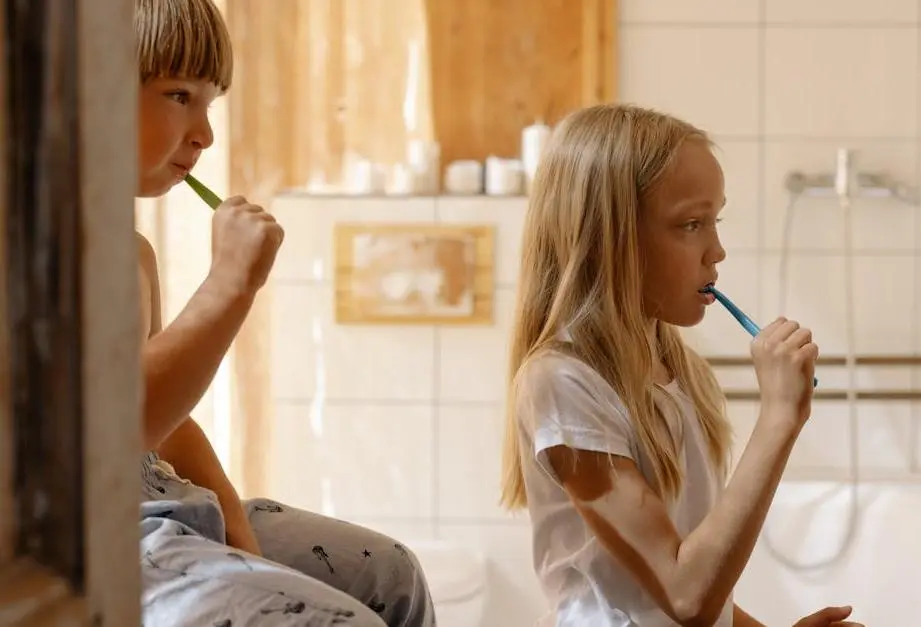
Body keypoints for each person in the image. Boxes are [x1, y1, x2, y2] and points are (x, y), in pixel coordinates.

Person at [498, 103, 863, 627]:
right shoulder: (563, 382)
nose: (716, 251)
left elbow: (693, 595)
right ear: (610, 242)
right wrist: (780, 418)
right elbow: (684, 597)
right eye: (691, 224)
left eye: (715, 221)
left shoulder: (676, 368)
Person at [133, 0, 435, 625]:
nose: (205, 133)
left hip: (162, 502)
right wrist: (229, 286)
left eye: (209, 103)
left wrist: (236, 527)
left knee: (390, 573)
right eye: (179, 94)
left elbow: (166, 420)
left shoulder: (130, 252)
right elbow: (102, 434)